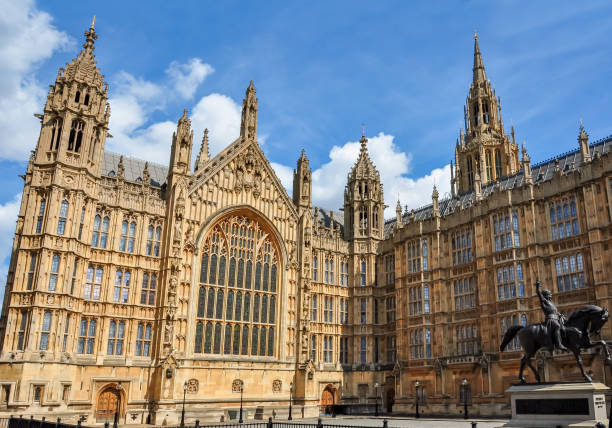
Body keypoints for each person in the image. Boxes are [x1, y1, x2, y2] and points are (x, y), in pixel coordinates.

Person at [535, 279, 568, 351]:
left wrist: (560, 315)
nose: (550, 296)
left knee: (565, 325)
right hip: (550, 319)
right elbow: (539, 294)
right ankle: (559, 344)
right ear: (546, 296)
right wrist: (537, 286)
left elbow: (555, 312)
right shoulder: (544, 302)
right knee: (557, 326)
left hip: (555, 318)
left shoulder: (552, 303)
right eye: (549, 295)